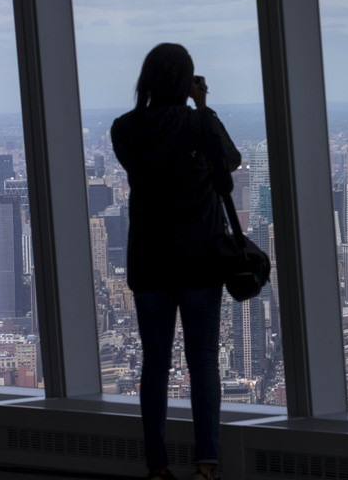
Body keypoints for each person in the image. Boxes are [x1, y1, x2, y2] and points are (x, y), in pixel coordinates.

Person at [111, 43, 240, 480]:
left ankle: (158, 466)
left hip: (149, 260)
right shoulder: (196, 122)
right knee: (202, 359)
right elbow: (232, 161)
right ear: (186, 81)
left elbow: (143, 164)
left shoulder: (123, 129)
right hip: (200, 257)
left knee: (154, 361)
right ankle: (207, 462)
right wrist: (202, 106)